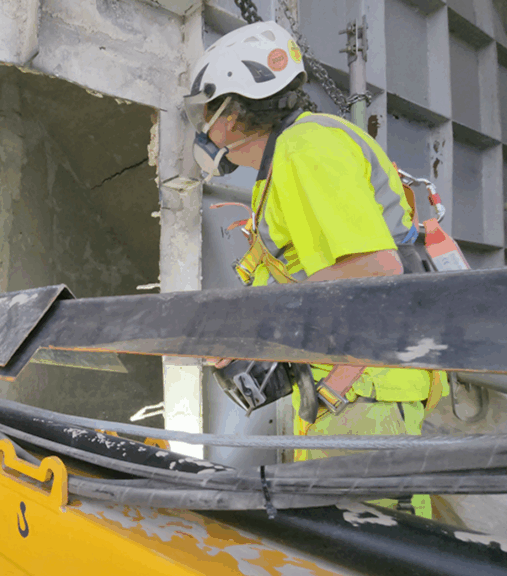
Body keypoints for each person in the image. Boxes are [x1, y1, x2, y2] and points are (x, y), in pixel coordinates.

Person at [185, 21, 444, 518]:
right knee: (347, 539)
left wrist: (246, 326)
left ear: (234, 114)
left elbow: (375, 267)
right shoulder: (293, 155)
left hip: (363, 390)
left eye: (206, 112)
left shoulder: (305, 150)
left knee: (368, 547)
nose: (203, 129)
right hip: (348, 387)